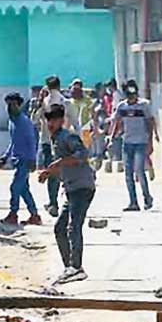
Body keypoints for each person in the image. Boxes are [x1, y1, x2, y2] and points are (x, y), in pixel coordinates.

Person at [38, 104, 96, 285]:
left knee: (74, 226)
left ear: (61, 121)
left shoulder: (67, 136)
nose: (50, 124)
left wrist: (57, 163)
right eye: (48, 121)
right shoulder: (55, 140)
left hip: (82, 187)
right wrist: (49, 172)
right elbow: (64, 165)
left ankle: (76, 267)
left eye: (54, 120)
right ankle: (69, 267)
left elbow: (82, 154)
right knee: (59, 228)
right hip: (71, 189)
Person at [111, 82, 155, 211]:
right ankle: (133, 202)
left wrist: (150, 141)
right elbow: (117, 122)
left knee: (139, 171)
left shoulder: (143, 106)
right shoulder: (122, 107)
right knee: (128, 174)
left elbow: (150, 122)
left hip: (141, 142)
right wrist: (112, 137)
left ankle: (147, 197)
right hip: (127, 143)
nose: (132, 98)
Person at [0, 92, 41, 226]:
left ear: (19, 104)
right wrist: (6, 156)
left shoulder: (24, 121)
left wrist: (33, 159)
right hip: (17, 159)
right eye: (8, 104)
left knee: (15, 187)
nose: (10, 107)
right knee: (23, 189)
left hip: (25, 160)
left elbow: (32, 141)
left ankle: (13, 213)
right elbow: (13, 141)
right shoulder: (12, 121)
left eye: (13, 104)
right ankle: (34, 215)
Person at [33, 75, 66, 217]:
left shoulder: (44, 103)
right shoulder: (65, 101)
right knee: (57, 171)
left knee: (51, 171)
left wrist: (39, 103)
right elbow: (74, 123)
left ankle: (53, 202)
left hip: (47, 141)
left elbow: (33, 120)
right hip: (62, 140)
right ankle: (55, 202)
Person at [66, 79, 94, 147]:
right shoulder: (70, 102)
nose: (76, 90)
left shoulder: (87, 100)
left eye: (78, 87)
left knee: (85, 145)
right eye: (74, 88)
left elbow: (92, 111)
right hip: (74, 127)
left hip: (85, 125)